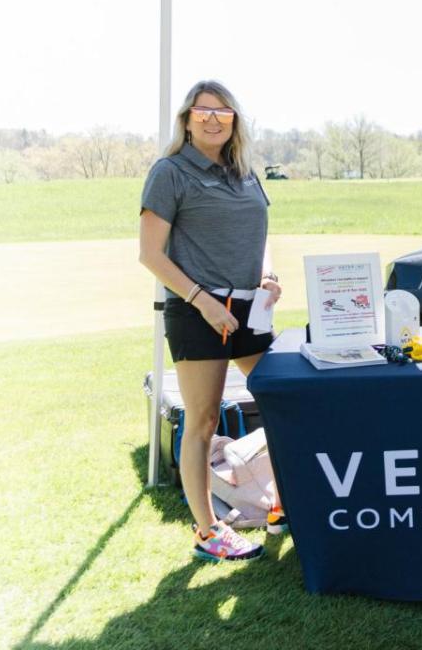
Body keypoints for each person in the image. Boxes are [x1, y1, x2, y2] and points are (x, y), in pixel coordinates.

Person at [139, 80, 283, 562]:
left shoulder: (246, 173)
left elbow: (259, 238)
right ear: (186, 119)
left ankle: (285, 504)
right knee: (201, 421)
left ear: (235, 120)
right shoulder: (170, 172)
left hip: (250, 310)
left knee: (283, 401)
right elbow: (150, 255)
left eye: (223, 111)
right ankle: (209, 531)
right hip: (198, 310)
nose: (213, 119)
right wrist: (202, 301)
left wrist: (268, 275)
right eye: (203, 111)